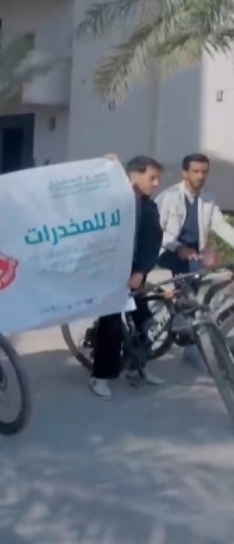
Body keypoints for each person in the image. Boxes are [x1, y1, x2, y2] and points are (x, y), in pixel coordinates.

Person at [89, 155, 167, 399]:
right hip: (110, 272)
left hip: (135, 273)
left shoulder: (149, 207)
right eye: (152, 178)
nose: (156, 184)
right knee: (110, 325)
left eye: (158, 179)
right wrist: (104, 167)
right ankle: (100, 377)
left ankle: (139, 367)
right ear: (135, 175)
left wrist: (141, 271)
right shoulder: (113, 199)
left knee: (144, 321)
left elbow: (152, 242)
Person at [156, 153, 234, 362]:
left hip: (193, 255)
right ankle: (186, 328)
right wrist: (178, 247)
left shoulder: (207, 198)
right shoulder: (169, 197)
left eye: (204, 172)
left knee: (204, 289)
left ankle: (190, 334)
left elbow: (220, 225)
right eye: (195, 171)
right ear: (185, 173)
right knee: (190, 290)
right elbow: (155, 231)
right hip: (166, 250)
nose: (200, 176)